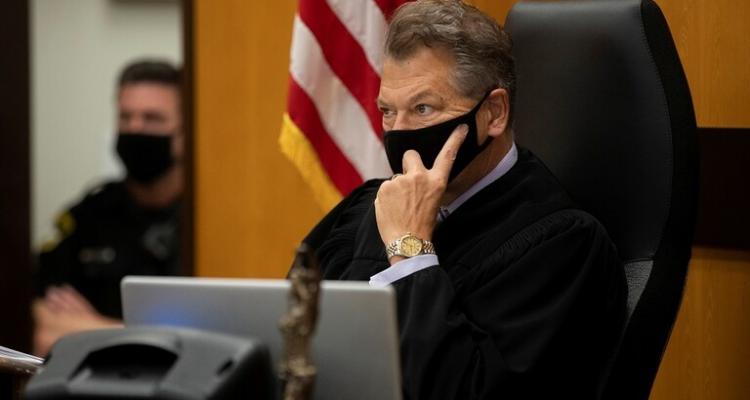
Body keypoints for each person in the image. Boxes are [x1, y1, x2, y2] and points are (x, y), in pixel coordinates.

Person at [299, 1, 626, 398]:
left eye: (423, 108)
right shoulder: (370, 205)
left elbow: (460, 390)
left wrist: (410, 251)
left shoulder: (563, 246)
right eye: (388, 111)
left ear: (494, 113)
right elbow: (294, 342)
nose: (399, 133)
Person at [33, 60, 184, 355]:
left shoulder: (208, 218)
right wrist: (142, 336)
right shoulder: (89, 214)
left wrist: (93, 328)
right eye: (125, 117)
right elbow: (45, 328)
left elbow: (212, 338)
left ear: (185, 133)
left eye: (152, 118)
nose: (135, 128)